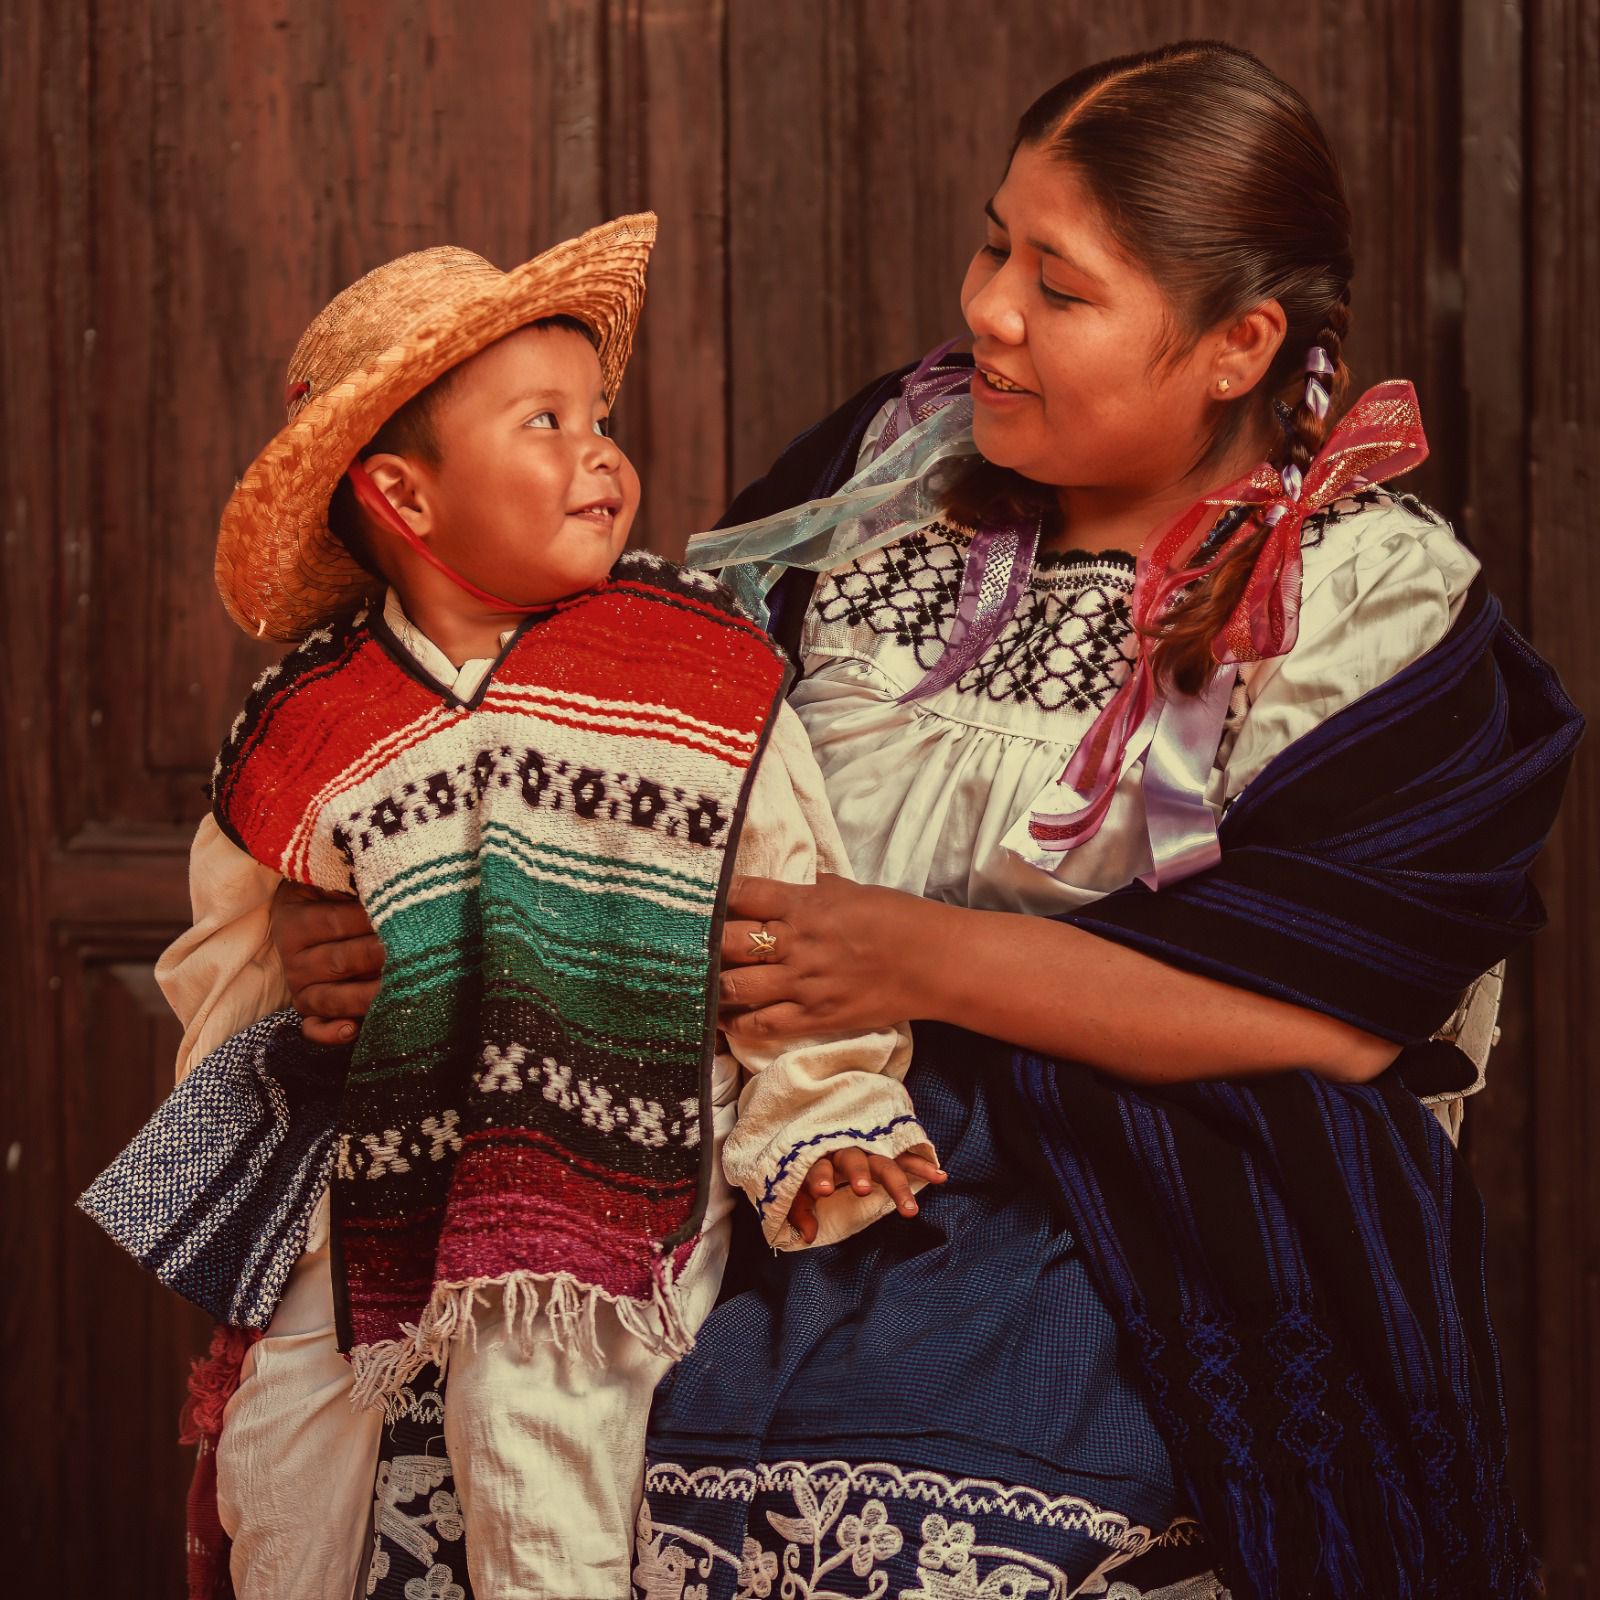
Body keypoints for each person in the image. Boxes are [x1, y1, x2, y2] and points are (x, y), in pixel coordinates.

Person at [271, 44, 1580, 1600]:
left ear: (1237, 346)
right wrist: (363, 879)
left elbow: (1346, 1020)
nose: (990, 310)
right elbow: (587, 705)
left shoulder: (1378, 602)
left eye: (1061, 285)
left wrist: (916, 961)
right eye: (992, 243)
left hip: (1129, 1196)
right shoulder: (881, 478)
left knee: (895, 1494)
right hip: (751, 1116)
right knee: (435, 1419)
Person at [91, 214, 947, 1600]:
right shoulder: (316, 721)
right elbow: (231, 959)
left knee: (535, 1411)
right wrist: (286, 1046)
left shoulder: (697, 672)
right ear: (406, 499)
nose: (599, 452)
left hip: (602, 1146)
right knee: (284, 1428)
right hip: (375, 1155)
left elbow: (791, 906)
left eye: (599, 416)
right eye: (543, 422)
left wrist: (824, 1111)